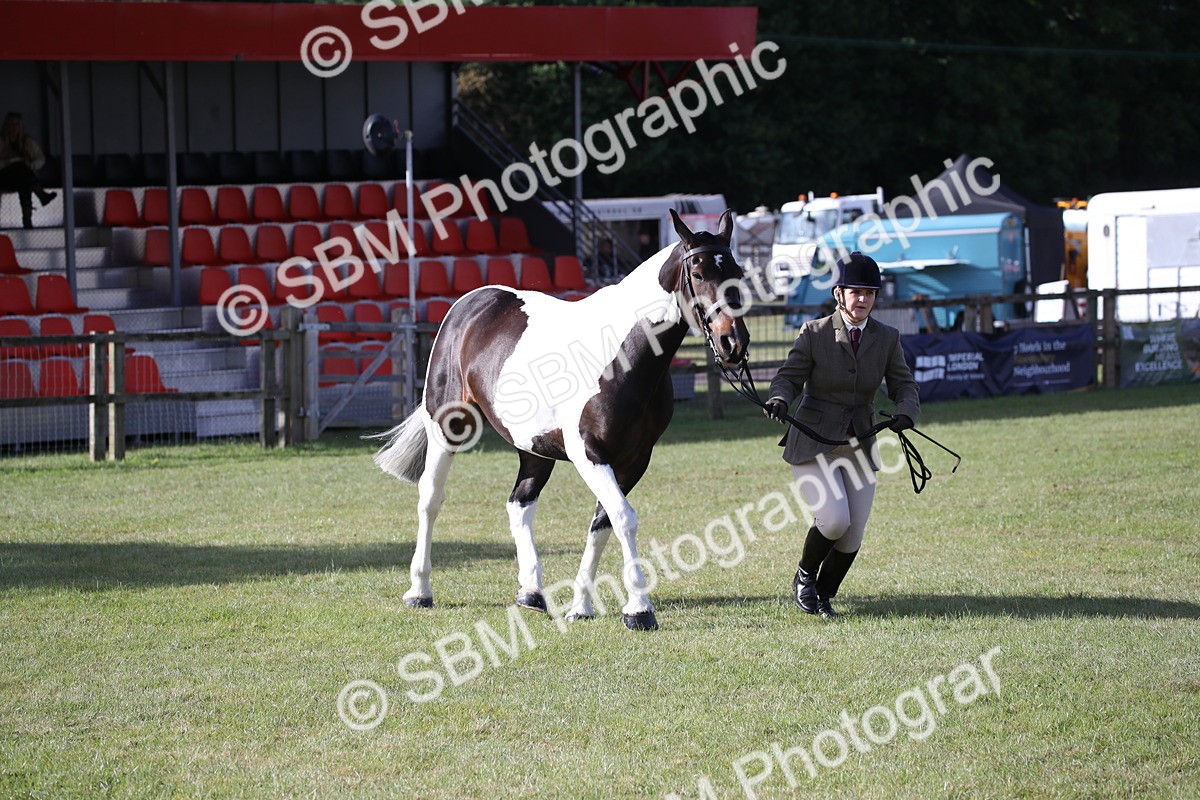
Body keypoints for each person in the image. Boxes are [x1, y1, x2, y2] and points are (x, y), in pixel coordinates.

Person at [764, 251, 920, 619]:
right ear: (839, 294)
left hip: (860, 443)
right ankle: (804, 577)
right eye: (856, 292)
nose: (863, 299)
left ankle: (823, 595)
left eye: (870, 292)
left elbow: (905, 385)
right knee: (835, 521)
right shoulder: (814, 332)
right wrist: (779, 399)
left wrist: (906, 412)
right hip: (814, 443)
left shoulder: (887, 337)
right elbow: (788, 377)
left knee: (852, 536)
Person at [0, 112, 56, 229]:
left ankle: (27, 220)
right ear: (6, 126)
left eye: (17, 124)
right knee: (20, 167)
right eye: (11, 124)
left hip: (21, 178)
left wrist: (30, 165)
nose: (14, 127)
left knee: (24, 180)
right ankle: (41, 195)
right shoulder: (1, 141)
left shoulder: (27, 142)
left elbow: (40, 159)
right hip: (3, 177)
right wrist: (11, 162)